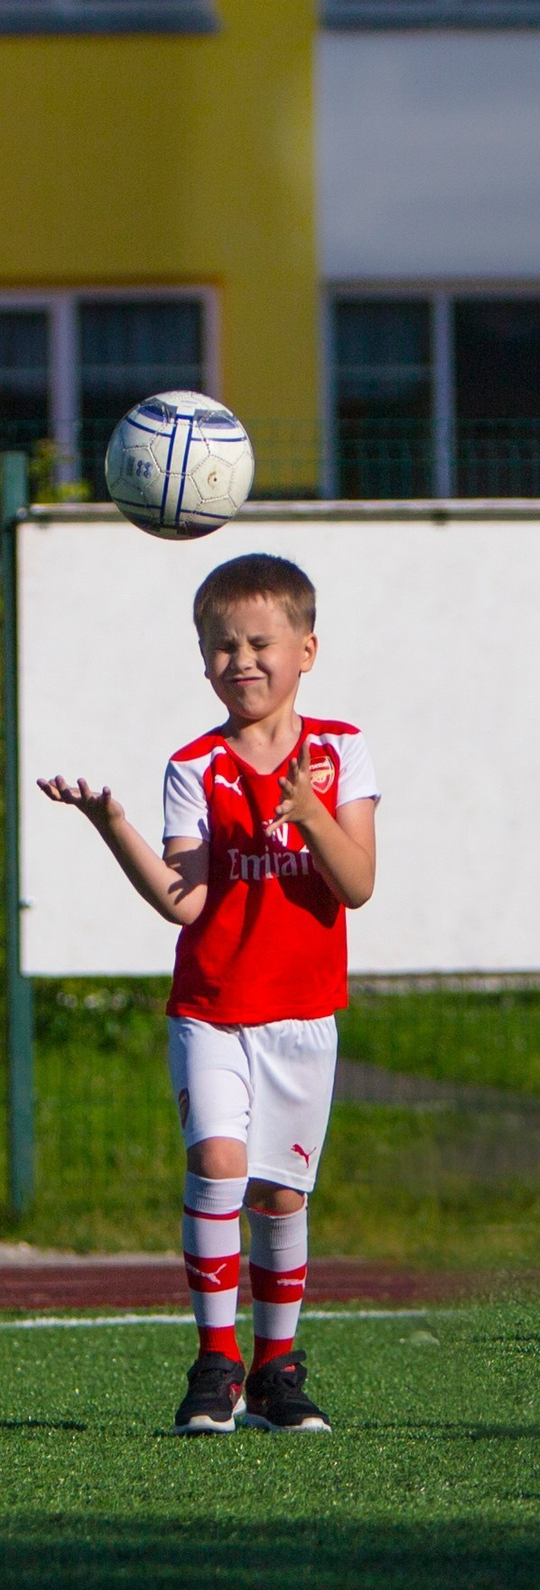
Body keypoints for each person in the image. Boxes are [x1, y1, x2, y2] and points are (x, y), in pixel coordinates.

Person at [40, 551, 378, 1437]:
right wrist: (110, 821)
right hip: (213, 1007)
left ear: (307, 648)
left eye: (262, 642)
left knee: (280, 1198)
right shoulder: (195, 763)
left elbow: (358, 885)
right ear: (203, 660)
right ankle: (215, 1361)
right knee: (220, 1164)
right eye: (222, 646)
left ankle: (277, 1369)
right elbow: (181, 900)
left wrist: (309, 816)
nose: (243, 661)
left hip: (304, 1018)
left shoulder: (341, 751)